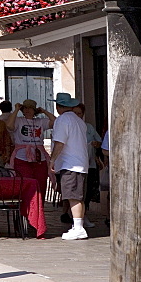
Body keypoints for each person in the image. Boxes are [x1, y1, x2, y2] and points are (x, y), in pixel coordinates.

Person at [50, 92, 90, 241]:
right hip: (80, 163)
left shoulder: (62, 120)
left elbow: (60, 142)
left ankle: (78, 228)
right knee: (78, 197)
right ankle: (77, 225)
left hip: (70, 163)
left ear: (58, 106)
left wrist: (52, 160)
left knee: (73, 196)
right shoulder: (79, 121)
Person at [6, 99, 55, 192]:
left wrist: (44, 111)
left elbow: (56, 122)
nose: (27, 110)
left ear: (35, 111)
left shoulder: (40, 122)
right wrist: (16, 110)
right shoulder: (18, 121)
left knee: (40, 184)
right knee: (24, 185)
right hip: (22, 158)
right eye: (25, 108)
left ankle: (39, 205)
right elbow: (9, 126)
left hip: (39, 159)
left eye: (30, 108)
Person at [74, 103, 103, 226]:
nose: (77, 116)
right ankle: (77, 218)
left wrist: (96, 144)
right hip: (75, 164)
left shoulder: (88, 127)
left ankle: (82, 217)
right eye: (74, 113)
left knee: (87, 192)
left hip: (89, 163)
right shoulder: (70, 127)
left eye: (79, 113)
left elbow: (99, 141)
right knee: (76, 192)